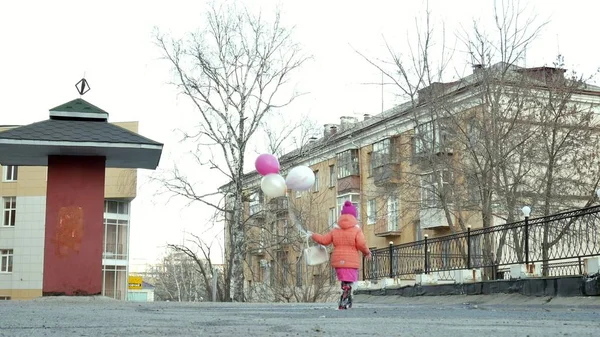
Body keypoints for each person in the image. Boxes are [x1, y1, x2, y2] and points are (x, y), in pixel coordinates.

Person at [308, 200, 371, 309]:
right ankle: (346, 298)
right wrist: (367, 253)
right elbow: (361, 244)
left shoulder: (335, 230)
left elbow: (324, 240)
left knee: (344, 279)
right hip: (351, 262)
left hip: (338, 261)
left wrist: (313, 235)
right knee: (350, 281)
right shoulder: (356, 230)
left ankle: (345, 293)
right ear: (354, 216)